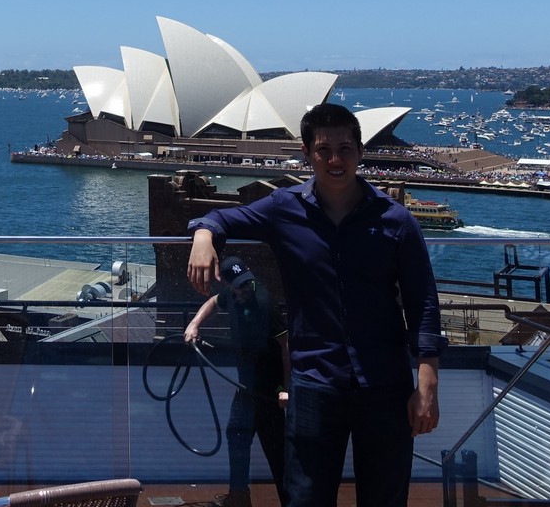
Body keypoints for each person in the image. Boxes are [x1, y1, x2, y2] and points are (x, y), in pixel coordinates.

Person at [188, 103, 443, 507]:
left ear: (361, 151)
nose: (335, 159)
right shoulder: (283, 209)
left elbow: (423, 301)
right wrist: (203, 236)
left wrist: (427, 383)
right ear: (306, 154)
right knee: (305, 498)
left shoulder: (396, 221)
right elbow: (225, 219)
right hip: (314, 383)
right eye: (323, 150)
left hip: (385, 384)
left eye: (345, 148)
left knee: (385, 497)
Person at [183, 255, 289, 507]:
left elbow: (286, 347)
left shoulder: (265, 303)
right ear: (228, 285)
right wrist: (195, 324)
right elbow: (212, 301)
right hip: (246, 387)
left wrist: (286, 388)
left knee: (277, 451)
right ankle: (239, 497)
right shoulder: (230, 295)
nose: (243, 290)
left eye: (246, 284)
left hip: (268, 391)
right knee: (236, 435)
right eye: (238, 286)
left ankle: (292, 500)